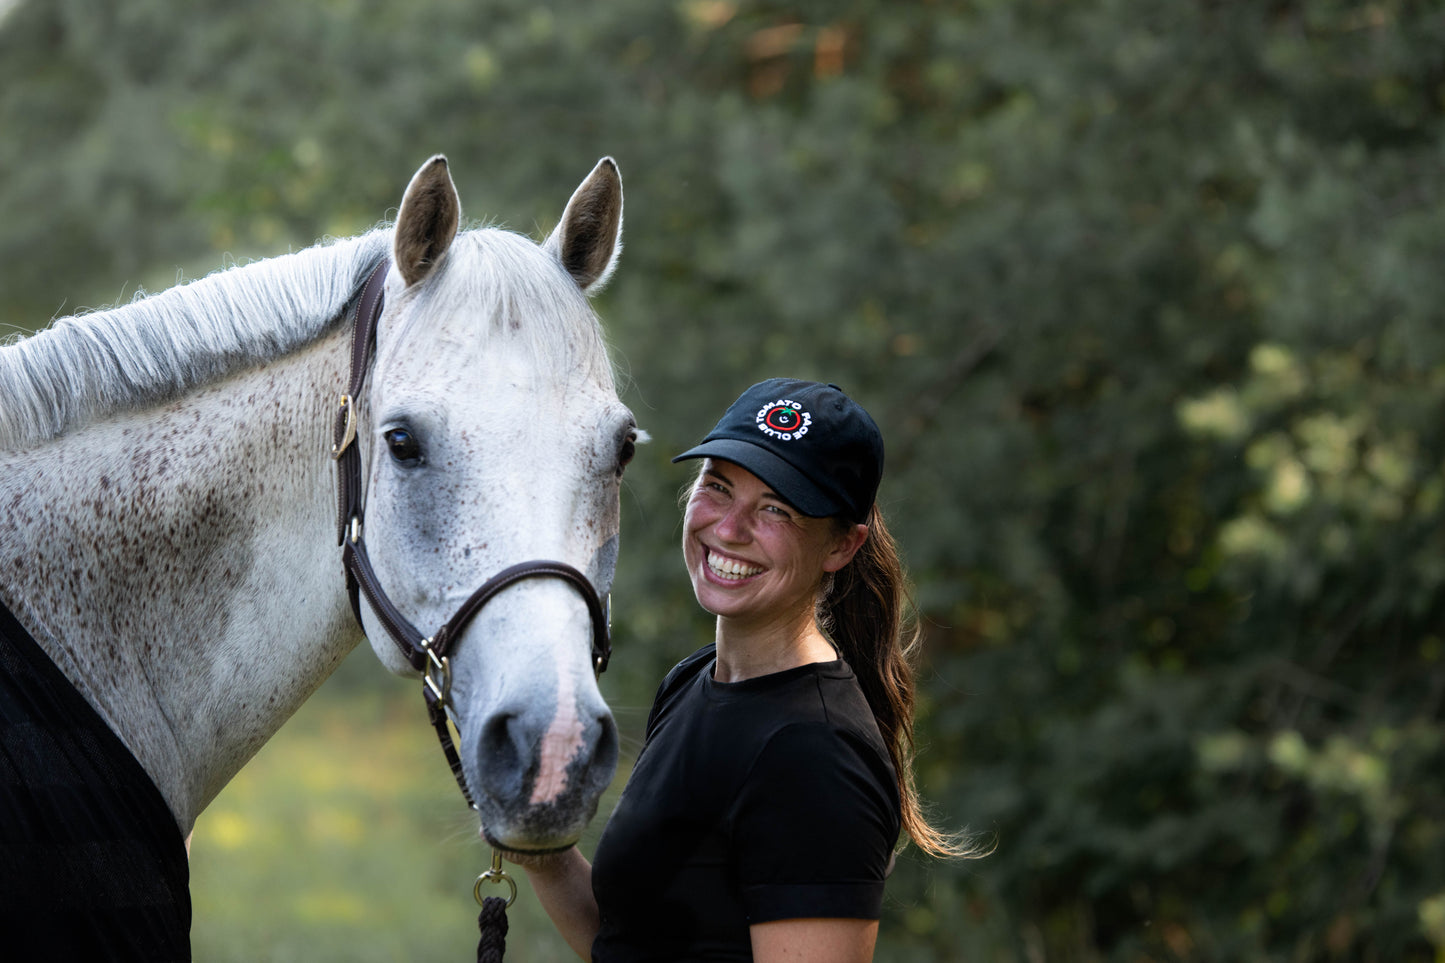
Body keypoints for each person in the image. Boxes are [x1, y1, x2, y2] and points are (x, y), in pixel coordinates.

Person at [518, 378, 971, 962]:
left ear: (842, 547)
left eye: (775, 509)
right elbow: (628, 943)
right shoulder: (691, 683)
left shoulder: (817, 754)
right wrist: (545, 852)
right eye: (718, 487)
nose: (729, 529)